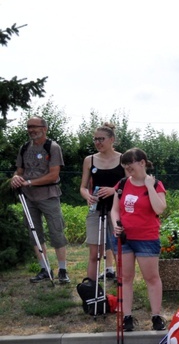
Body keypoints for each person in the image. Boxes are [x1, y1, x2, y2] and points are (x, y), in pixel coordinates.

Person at [110, 148, 167, 331]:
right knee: (125, 278)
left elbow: (159, 209)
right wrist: (115, 224)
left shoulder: (156, 184)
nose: (127, 168)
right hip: (125, 237)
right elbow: (115, 209)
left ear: (142, 162)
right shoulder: (122, 184)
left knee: (151, 277)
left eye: (130, 164)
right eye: (124, 165)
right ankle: (127, 316)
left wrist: (149, 186)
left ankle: (156, 316)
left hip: (147, 238)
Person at [10, 116, 69, 284]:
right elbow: (19, 171)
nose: (31, 129)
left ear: (44, 128)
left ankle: (63, 270)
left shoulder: (52, 147)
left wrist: (29, 182)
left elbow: (53, 175)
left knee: (56, 231)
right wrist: (15, 178)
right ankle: (44, 268)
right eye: (29, 126)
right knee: (34, 233)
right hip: (28, 197)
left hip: (48, 195)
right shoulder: (24, 148)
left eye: (35, 126)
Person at [79, 123, 125, 281]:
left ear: (111, 139)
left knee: (119, 249)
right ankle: (91, 288)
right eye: (95, 139)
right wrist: (87, 196)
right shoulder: (89, 160)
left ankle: (122, 286)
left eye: (101, 139)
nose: (98, 142)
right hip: (96, 209)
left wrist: (114, 190)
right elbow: (83, 187)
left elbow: (130, 184)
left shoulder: (123, 159)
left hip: (117, 210)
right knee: (94, 252)